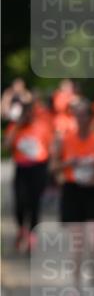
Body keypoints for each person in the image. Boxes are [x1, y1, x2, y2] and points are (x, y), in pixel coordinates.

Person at [50, 100, 94, 286]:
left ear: (91, 118)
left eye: (85, 115)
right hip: (72, 190)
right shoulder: (65, 140)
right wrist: (68, 163)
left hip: (93, 191)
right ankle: (75, 281)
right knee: (78, 241)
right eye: (78, 116)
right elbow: (53, 166)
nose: (81, 119)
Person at [5, 93, 53, 252]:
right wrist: (17, 127)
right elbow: (6, 146)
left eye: (30, 110)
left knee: (34, 203)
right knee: (20, 203)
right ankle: (21, 230)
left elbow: (50, 148)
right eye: (25, 111)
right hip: (22, 168)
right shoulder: (15, 127)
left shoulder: (43, 126)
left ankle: (32, 234)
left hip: (38, 168)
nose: (28, 114)